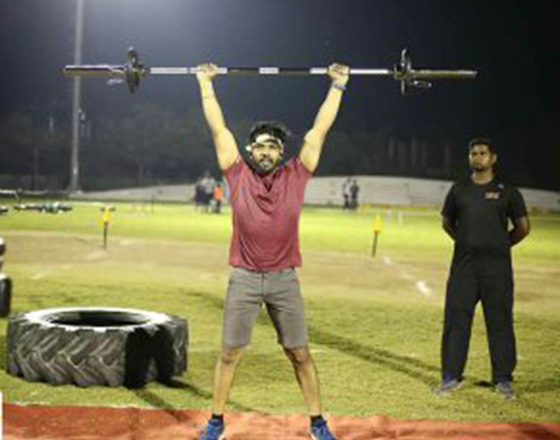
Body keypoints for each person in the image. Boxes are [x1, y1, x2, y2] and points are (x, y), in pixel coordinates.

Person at [195, 61, 349, 440]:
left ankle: (317, 423)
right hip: (244, 278)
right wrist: (205, 84)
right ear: (251, 149)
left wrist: (338, 86)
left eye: (272, 147)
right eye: (260, 146)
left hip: (284, 280)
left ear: (281, 153)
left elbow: (318, 132)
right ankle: (216, 421)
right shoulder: (236, 173)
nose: (265, 152)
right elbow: (219, 129)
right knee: (229, 353)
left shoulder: (296, 174)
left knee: (299, 353)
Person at [435, 138, 530, 400]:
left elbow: (523, 228)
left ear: (493, 158)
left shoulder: (507, 191)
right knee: (456, 321)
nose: (477, 157)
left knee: (500, 322)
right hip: (464, 269)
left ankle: (503, 379)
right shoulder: (459, 189)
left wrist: (500, 245)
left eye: (483, 153)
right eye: (473, 153)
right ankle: (450, 377)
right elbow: (447, 222)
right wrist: (465, 242)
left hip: (496, 270)